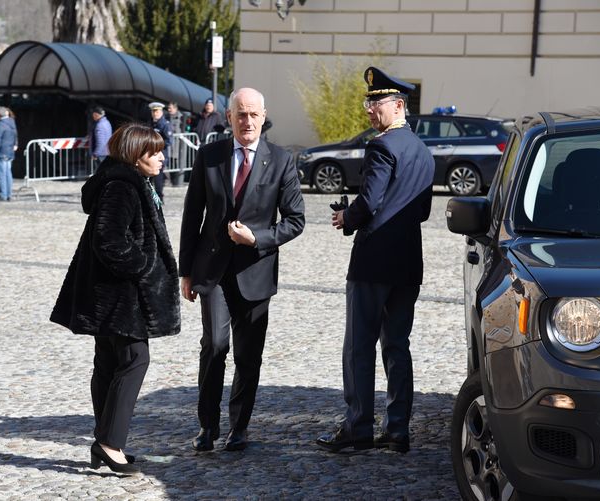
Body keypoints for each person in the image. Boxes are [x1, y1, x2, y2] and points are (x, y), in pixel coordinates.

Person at [179, 87, 305, 452]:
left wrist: (257, 238)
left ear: (263, 117)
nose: (247, 121)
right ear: (229, 117)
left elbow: (295, 221)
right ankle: (207, 426)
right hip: (212, 270)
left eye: (253, 114)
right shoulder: (210, 155)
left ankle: (239, 427)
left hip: (256, 271)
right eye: (240, 114)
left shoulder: (280, 160)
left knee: (248, 355)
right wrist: (186, 271)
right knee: (215, 345)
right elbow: (192, 215)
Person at [316, 67, 434, 454]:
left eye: (376, 102)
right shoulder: (422, 151)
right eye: (368, 102)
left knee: (360, 347)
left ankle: (358, 426)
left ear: (398, 105)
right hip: (407, 263)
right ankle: (398, 429)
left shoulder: (382, 147)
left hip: (373, 263)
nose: (369, 110)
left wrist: (345, 218)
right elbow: (422, 212)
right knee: (397, 346)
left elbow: (369, 202)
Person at [50, 124, 180, 473]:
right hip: (120, 297)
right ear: (135, 156)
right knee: (134, 360)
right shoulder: (123, 186)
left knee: (109, 363)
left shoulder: (129, 181)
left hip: (109, 296)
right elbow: (109, 240)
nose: (162, 157)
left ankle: (104, 442)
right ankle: (109, 443)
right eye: (154, 152)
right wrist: (143, 264)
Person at [0, 106, 18, 202]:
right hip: (10, 151)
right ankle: (9, 194)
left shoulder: (0, 125)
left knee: (1, 174)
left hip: (1, 152)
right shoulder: (11, 122)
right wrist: (15, 144)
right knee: (8, 173)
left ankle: (3, 195)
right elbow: (15, 134)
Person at [148, 102, 172, 200]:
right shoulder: (151, 123)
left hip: (161, 154)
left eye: (157, 111)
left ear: (161, 112)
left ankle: (159, 197)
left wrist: (156, 146)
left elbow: (169, 141)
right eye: (153, 111)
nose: (155, 113)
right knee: (150, 177)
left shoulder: (165, 124)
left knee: (158, 177)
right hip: (151, 154)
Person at [165, 102, 185, 186]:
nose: (169, 110)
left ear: (176, 109)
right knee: (168, 163)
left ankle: (176, 181)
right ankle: (169, 180)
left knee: (176, 163)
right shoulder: (166, 117)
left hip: (177, 145)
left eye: (171, 108)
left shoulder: (181, 118)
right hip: (169, 145)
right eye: (168, 108)